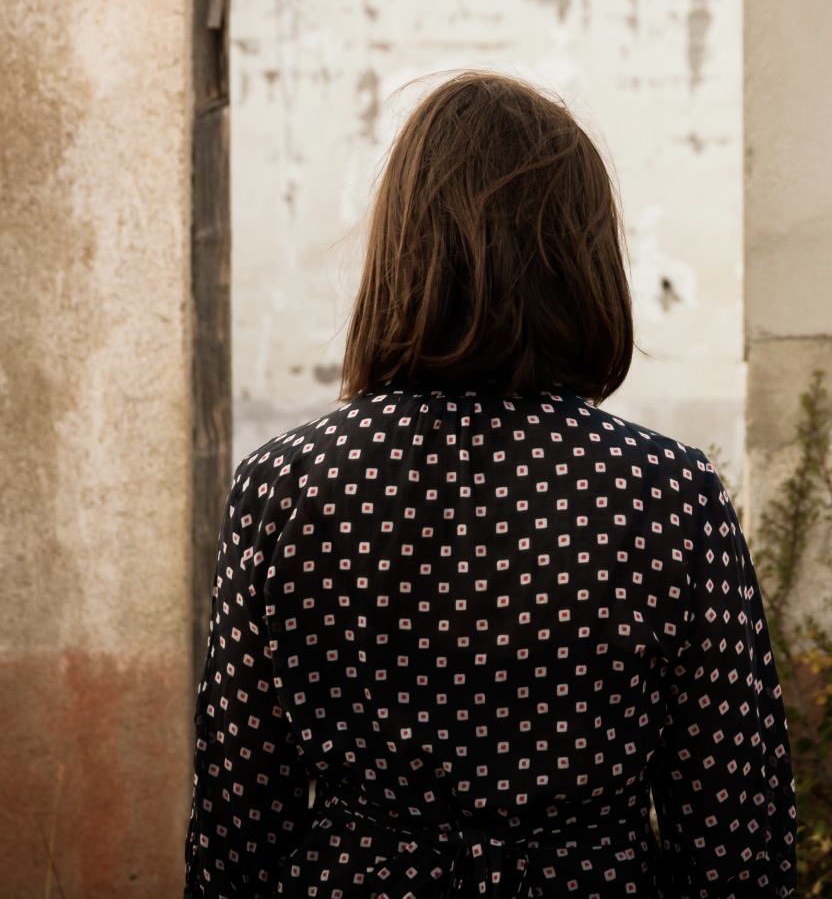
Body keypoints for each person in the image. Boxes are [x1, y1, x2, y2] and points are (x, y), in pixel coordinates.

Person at [184, 71, 796, 898]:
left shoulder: (288, 489)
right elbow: (737, 834)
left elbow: (238, 824)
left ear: (401, 252)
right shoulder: (670, 495)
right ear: (582, 258)